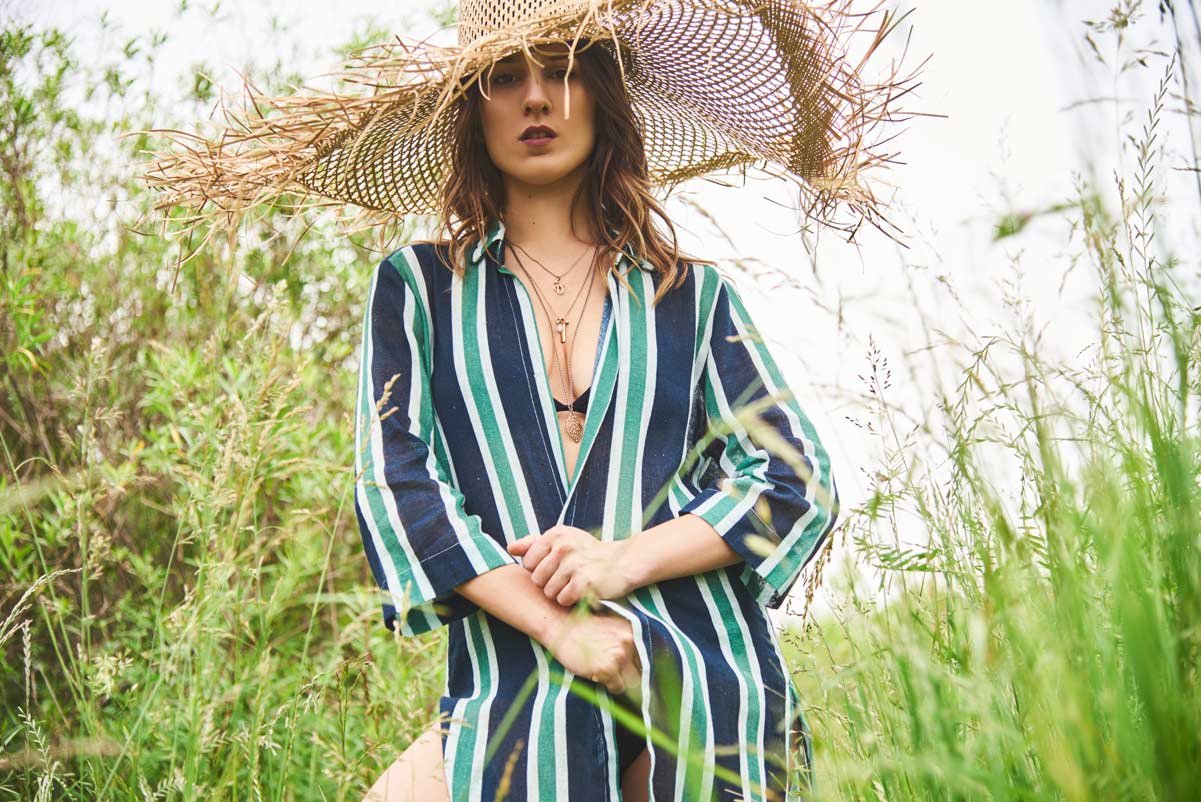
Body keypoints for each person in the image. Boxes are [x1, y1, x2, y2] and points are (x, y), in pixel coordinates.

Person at [137, 2, 920, 800]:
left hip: (698, 679)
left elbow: (795, 480)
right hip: (520, 685)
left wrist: (621, 560)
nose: (536, 98)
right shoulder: (419, 288)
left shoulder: (690, 297)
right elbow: (396, 486)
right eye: (505, 77)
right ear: (471, 110)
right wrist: (559, 628)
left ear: (602, 97)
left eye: (563, 70)